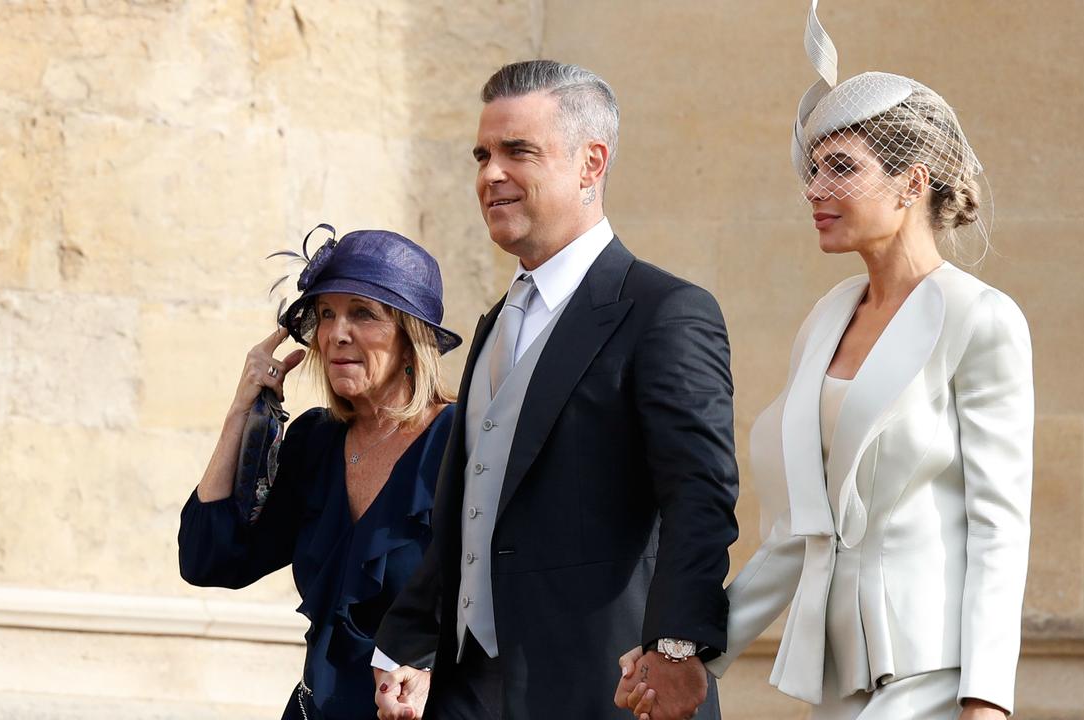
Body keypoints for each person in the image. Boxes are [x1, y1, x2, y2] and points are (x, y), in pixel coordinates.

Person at [633, 3, 1033, 719]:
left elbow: (1000, 526)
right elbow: (798, 532)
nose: (813, 190)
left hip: (936, 676)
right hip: (839, 683)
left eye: (840, 169)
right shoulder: (825, 319)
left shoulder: (983, 319)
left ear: (913, 183)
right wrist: (686, 653)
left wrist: (986, 700)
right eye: (813, 170)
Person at [370, 60, 739, 720]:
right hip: (470, 690)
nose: (489, 175)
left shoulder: (665, 311)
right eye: (482, 154)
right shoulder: (493, 323)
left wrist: (678, 649)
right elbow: (470, 505)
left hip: (607, 692)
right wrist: (411, 641)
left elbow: (701, 496)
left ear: (590, 164)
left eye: (518, 151)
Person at [177, 227, 463, 720]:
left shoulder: (462, 441)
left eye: (363, 313)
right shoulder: (316, 440)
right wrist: (240, 411)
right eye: (326, 314)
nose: (336, 333)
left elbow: (509, 595)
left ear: (411, 337)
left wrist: (433, 671)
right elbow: (209, 560)